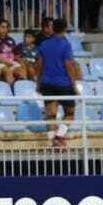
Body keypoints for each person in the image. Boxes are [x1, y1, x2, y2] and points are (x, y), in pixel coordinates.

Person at [35, 17, 81, 149]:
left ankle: (53, 142)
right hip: (63, 84)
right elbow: (69, 65)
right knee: (70, 113)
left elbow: (39, 66)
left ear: (53, 28)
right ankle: (59, 136)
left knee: (51, 115)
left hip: (46, 83)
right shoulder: (65, 45)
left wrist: (38, 84)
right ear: (65, 29)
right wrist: (74, 85)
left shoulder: (44, 44)